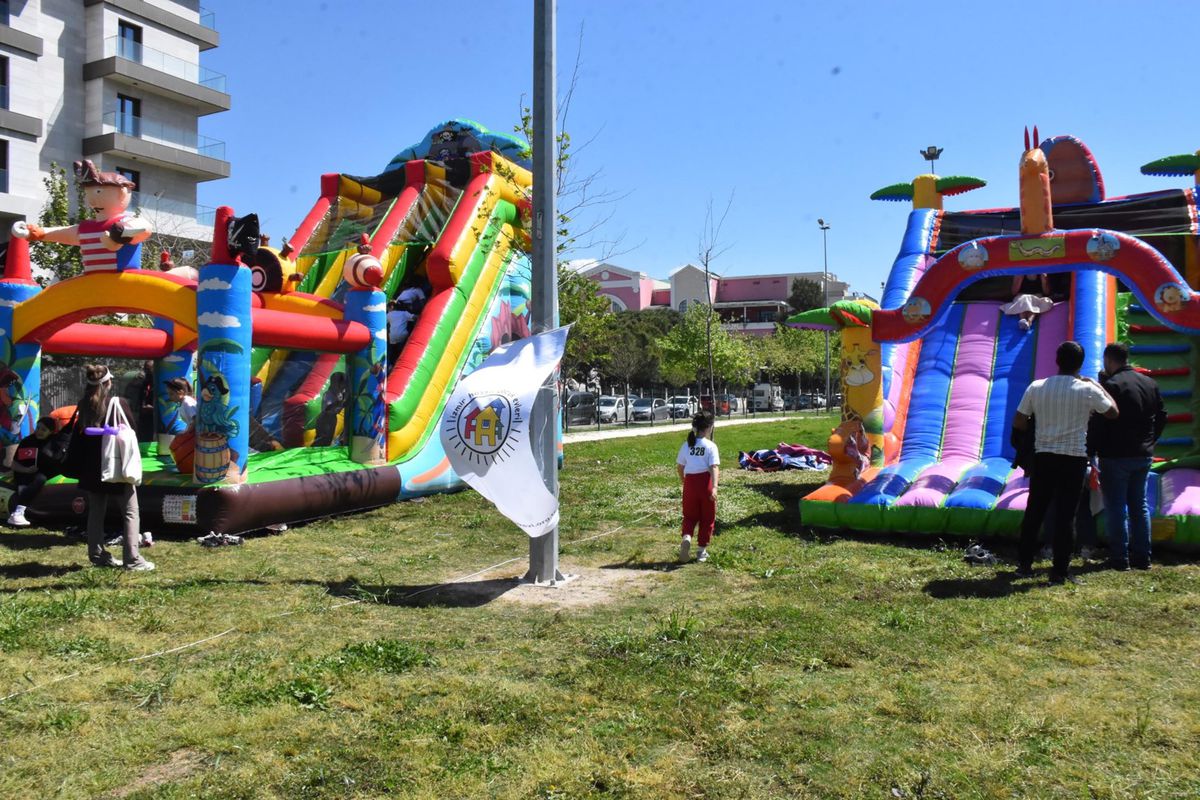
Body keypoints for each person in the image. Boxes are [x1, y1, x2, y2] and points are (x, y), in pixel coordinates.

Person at [1012, 341, 1117, 584]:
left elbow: (1019, 421)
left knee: (1035, 511)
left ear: (1057, 361)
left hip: (1044, 455)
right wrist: (1098, 386)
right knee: (1066, 516)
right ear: (1080, 364)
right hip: (1073, 458)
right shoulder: (1087, 390)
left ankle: (1024, 565)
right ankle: (1059, 570)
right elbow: (1112, 412)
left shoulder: (1037, 387)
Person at [1093, 342, 1167, 570]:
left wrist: (1093, 449)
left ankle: (1119, 558)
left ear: (1108, 360)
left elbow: (1100, 421)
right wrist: (1151, 440)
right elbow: (1162, 415)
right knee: (1139, 506)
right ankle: (1143, 557)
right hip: (1143, 453)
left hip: (1115, 455)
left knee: (1115, 506)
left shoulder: (1112, 386)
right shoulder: (1149, 383)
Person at [73, 364, 153, 571]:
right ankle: (132, 558)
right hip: (116, 465)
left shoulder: (84, 404)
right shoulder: (118, 403)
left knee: (96, 512)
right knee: (130, 511)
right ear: (108, 383)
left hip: (92, 468)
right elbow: (132, 429)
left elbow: (81, 435)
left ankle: (97, 555)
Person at [676, 410, 719, 563]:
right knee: (707, 518)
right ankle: (701, 551)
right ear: (709, 428)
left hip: (690, 484)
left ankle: (687, 537)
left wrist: (684, 481)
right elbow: (714, 467)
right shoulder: (711, 446)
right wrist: (714, 487)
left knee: (689, 516)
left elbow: (680, 467)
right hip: (705, 483)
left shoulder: (687, 445)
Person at [7, 417, 65, 527]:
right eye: (38, 428)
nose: (39, 431)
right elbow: (14, 465)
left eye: (43, 430)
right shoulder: (28, 441)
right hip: (26, 474)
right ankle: (18, 512)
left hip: (46, 474)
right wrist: (27, 470)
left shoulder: (55, 443)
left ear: (51, 431)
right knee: (40, 479)